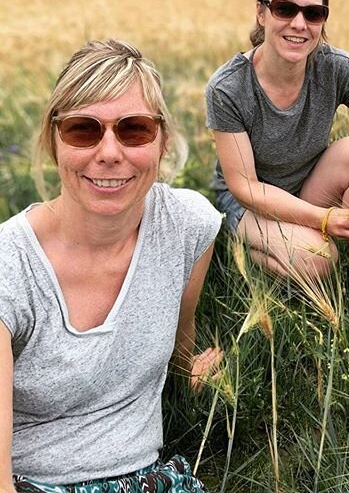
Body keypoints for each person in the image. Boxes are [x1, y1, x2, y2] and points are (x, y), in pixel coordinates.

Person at [0, 40, 223, 492]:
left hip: (149, 481)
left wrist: (192, 371)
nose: (108, 152)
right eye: (83, 130)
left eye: (134, 129)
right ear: (52, 141)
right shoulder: (10, 266)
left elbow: (180, 340)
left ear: (162, 142)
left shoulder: (188, 227)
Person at [206, 0, 349, 312]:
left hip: (309, 185)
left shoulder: (335, 67)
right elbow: (246, 187)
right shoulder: (229, 88)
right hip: (250, 203)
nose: (299, 23)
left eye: (313, 13)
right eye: (285, 9)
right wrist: (323, 220)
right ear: (262, 13)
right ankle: (248, 254)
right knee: (318, 257)